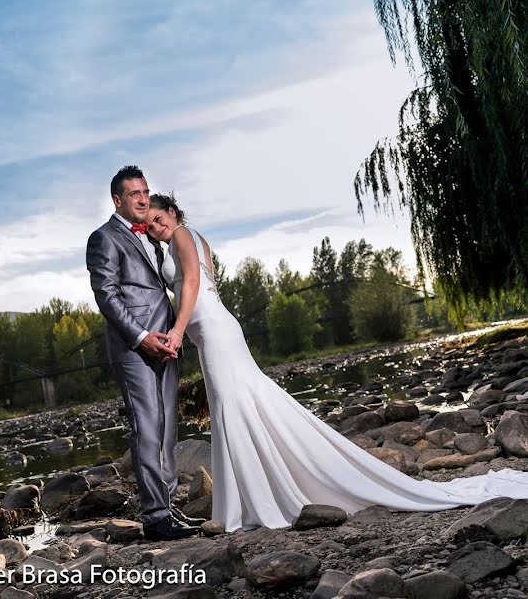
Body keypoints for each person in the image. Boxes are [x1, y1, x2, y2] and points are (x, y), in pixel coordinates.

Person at [144, 191, 528, 532]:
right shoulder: (189, 237)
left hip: (212, 330)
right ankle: (250, 495)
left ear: (175, 212)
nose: (157, 227)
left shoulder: (181, 235)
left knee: (235, 405)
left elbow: (192, 283)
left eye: (160, 219)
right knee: (242, 404)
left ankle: (248, 502)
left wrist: (177, 331)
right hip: (215, 329)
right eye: (150, 225)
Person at [86, 166, 204, 540]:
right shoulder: (103, 238)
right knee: (147, 428)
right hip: (134, 348)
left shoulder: (153, 240)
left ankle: (169, 509)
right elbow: (107, 295)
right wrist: (140, 337)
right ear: (117, 200)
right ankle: (155, 517)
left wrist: (172, 334)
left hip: (167, 346)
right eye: (134, 193)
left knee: (168, 427)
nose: (141, 198)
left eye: (145, 192)